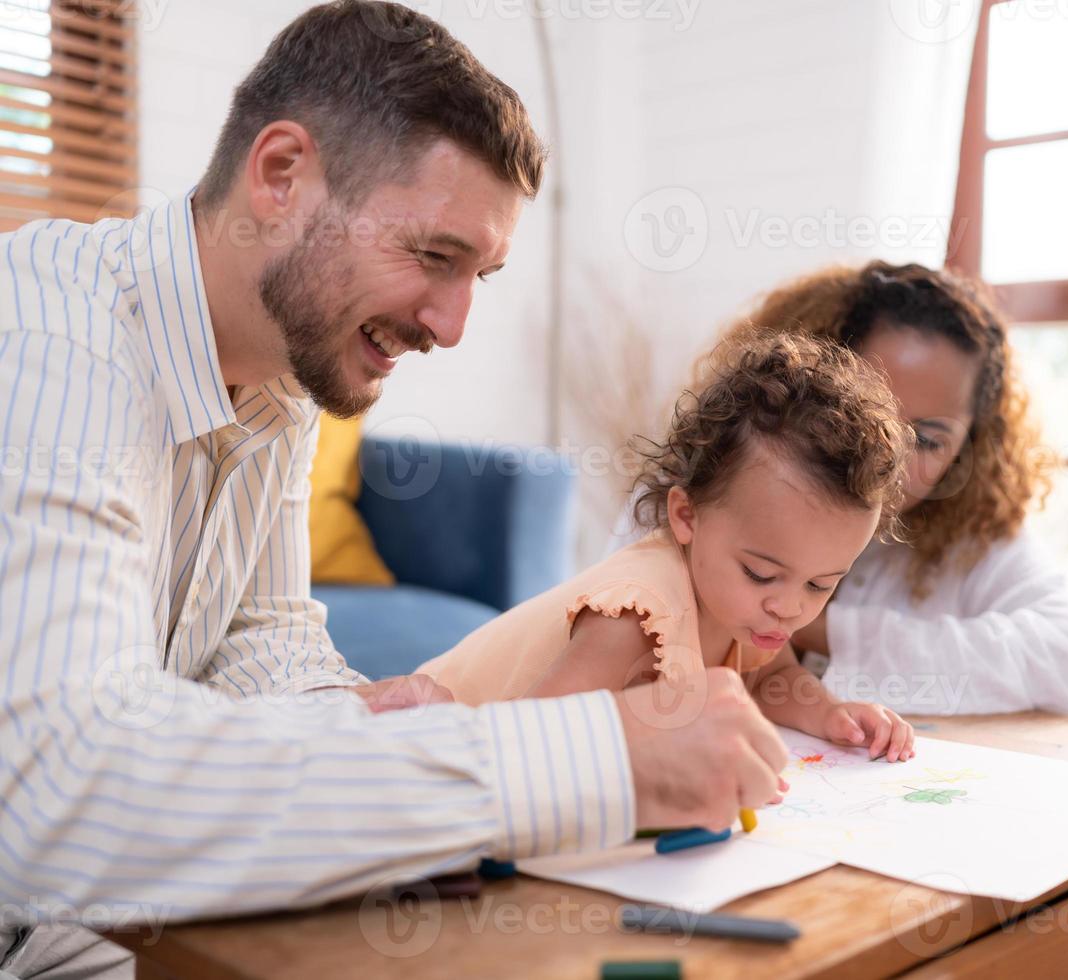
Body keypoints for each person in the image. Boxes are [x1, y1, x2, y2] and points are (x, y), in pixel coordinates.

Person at [0, 3, 785, 975]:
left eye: (479, 277)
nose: (452, 325)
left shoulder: (282, 380)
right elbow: (62, 789)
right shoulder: (48, 342)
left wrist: (365, 719)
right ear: (281, 176)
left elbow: (260, 632)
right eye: (432, 255)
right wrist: (587, 758)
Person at [421, 335, 917, 762]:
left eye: (820, 584)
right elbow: (534, 737)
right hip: (431, 745)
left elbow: (771, 679)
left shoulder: (740, 603)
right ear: (686, 516)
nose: (789, 608)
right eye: (761, 574)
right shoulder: (637, 615)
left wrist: (832, 716)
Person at [688, 261, 1068, 717]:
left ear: (971, 445)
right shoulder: (710, 491)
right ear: (798, 386)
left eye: (927, 439)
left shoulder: (977, 528)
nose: (889, 458)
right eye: (862, 417)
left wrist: (813, 626)